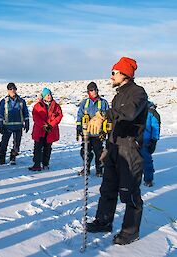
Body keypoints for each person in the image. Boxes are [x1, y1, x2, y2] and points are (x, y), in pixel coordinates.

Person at [86, 57, 148, 245]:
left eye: (114, 72)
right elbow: (116, 120)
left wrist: (104, 114)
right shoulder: (117, 94)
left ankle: (130, 232)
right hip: (114, 147)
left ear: (125, 74)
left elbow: (129, 112)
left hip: (129, 149)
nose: (111, 76)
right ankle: (104, 221)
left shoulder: (138, 93)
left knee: (129, 192)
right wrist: (103, 131)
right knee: (108, 189)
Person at [76, 82, 109, 177]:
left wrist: (105, 130)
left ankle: (99, 170)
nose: (93, 91)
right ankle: (86, 168)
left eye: (95, 89)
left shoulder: (103, 102)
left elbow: (108, 116)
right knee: (85, 151)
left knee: (99, 152)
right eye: (91, 90)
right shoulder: (84, 103)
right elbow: (79, 115)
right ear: (88, 92)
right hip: (86, 133)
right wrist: (79, 127)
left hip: (98, 133)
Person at [28, 88, 63, 171]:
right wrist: (44, 125)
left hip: (51, 130)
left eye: (50, 94)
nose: (49, 96)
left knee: (48, 148)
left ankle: (45, 164)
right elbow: (35, 117)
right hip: (40, 130)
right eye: (47, 95)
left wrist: (51, 125)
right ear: (43, 96)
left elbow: (59, 116)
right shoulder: (37, 105)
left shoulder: (56, 105)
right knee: (38, 147)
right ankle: (37, 164)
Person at [0, 82, 29, 165]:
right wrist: (0, 126)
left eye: (14, 88)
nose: (13, 90)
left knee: (17, 144)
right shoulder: (4, 101)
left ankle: (13, 157)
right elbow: (0, 114)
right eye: (10, 89)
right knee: (4, 143)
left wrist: (27, 123)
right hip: (7, 126)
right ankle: (1, 158)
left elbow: (25, 112)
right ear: (8, 90)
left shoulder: (21, 101)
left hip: (18, 126)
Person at [140, 101, 160, 187]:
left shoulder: (151, 112)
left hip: (146, 140)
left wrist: (154, 140)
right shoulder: (134, 108)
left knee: (146, 160)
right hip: (133, 138)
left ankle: (148, 179)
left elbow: (156, 127)